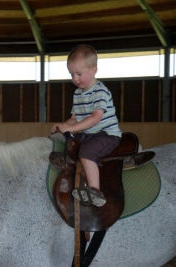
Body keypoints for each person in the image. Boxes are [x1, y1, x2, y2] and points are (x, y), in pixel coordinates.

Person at [51, 44, 122, 207]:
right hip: (88, 132)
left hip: (105, 134)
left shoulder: (100, 91)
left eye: (79, 74)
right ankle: (63, 161)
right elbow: (75, 118)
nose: (75, 79)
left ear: (93, 70)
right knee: (63, 139)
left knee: (87, 153)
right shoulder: (78, 93)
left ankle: (95, 191)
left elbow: (96, 117)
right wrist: (62, 126)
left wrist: (72, 128)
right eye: (71, 74)